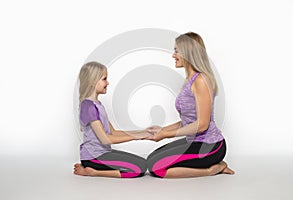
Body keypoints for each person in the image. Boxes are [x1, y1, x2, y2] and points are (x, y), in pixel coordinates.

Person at [146, 32, 235, 178]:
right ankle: (210, 166)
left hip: (210, 146)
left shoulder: (200, 80)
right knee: (151, 159)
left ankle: (212, 169)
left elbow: (202, 125)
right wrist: (162, 130)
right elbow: (188, 122)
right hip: (194, 142)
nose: (173, 55)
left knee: (156, 168)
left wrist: (166, 135)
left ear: (188, 53)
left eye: (176, 51)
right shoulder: (191, 80)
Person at [73, 61, 150, 178]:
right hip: (94, 157)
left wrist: (142, 132)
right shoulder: (88, 106)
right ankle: (94, 172)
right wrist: (136, 137)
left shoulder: (97, 104)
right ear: (93, 82)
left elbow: (113, 132)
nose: (107, 82)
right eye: (104, 79)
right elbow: (106, 139)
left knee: (143, 163)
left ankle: (92, 167)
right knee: (138, 169)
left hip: (103, 154)